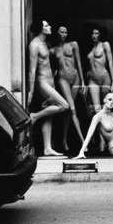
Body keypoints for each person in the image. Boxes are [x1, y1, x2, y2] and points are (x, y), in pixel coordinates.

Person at [27, 19, 69, 157]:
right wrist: (31, 91)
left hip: (50, 81)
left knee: (49, 114)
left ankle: (47, 148)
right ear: (40, 29)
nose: (50, 27)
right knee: (64, 106)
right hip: (42, 82)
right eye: (46, 25)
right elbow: (32, 70)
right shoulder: (34, 45)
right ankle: (35, 116)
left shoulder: (44, 43)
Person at [51, 25, 87, 152]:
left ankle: (64, 140)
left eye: (66, 32)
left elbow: (79, 62)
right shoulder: (53, 50)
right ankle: (84, 142)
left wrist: (82, 80)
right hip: (63, 79)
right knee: (72, 109)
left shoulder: (73, 45)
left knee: (69, 111)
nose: (64, 34)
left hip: (75, 76)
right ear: (57, 33)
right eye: (62, 32)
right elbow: (45, 65)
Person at [87, 25, 113, 113]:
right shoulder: (91, 48)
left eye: (96, 33)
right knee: (96, 108)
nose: (94, 35)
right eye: (92, 33)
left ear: (100, 35)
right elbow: (92, 62)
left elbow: (111, 62)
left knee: (106, 106)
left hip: (104, 78)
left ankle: (107, 126)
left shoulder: (105, 44)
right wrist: (89, 71)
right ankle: (99, 126)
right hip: (92, 79)